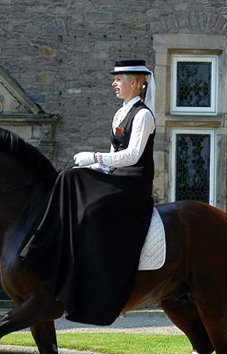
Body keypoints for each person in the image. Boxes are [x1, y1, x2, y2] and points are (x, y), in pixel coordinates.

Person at [20, 60, 156, 325]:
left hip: (134, 182)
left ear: (136, 82)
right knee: (69, 176)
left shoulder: (143, 115)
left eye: (119, 79)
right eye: (115, 79)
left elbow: (131, 156)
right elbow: (114, 154)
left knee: (91, 206)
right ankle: (49, 244)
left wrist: (94, 156)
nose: (114, 84)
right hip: (118, 175)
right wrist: (93, 164)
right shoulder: (120, 113)